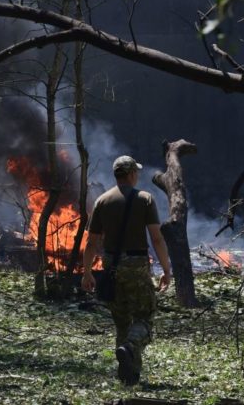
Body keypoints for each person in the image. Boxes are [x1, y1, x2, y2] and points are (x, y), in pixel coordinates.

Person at [82, 155, 172, 386]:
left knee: (121, 321)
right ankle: (130, 348)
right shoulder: (145, 199)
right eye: (137, 172)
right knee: (144, 317)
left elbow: (92, 242)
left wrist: (87, 272)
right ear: (131, 174)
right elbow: (157, 238)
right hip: (136, 265)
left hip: (110, 267)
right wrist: (166, 269)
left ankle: (128, 376)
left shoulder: (102, 201)